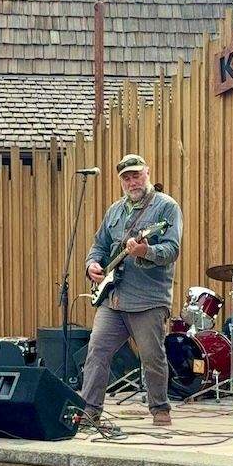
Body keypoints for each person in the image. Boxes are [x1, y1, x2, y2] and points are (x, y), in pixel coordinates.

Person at [82, 154, 182, 426]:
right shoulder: (114, 210)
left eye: (136, 175)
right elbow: (99, 246)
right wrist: (92, 264)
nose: (131, 181)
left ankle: (160, 409)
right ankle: (89, 412)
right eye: (126, 178)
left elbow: (172, 250)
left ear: (147, 173)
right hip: (113, 299)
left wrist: (145, 250)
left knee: (152, 357)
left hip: (148, 299)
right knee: (97, 352)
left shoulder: (166, 207)